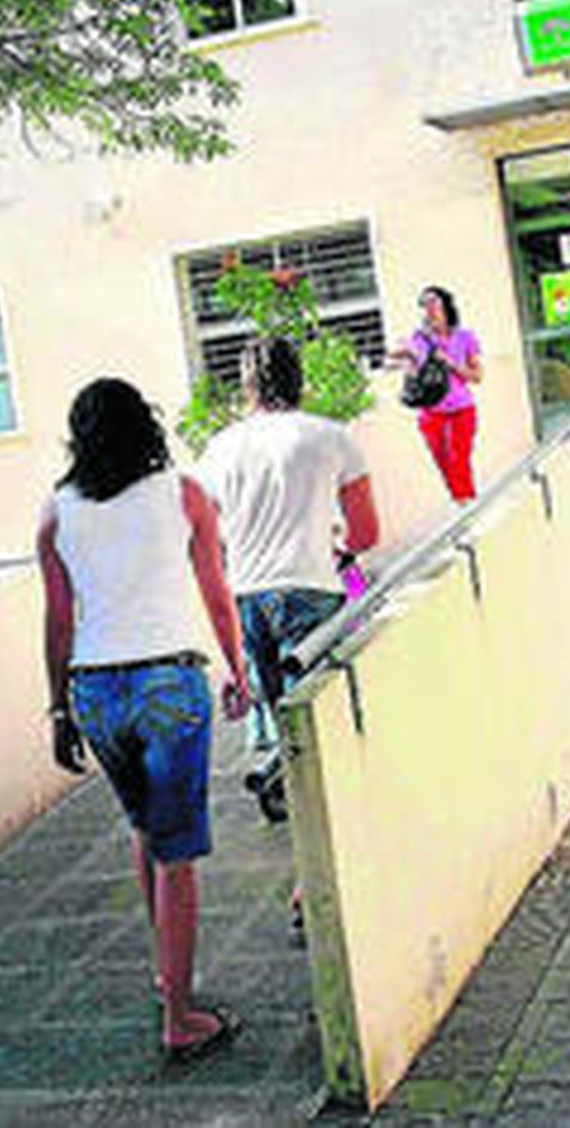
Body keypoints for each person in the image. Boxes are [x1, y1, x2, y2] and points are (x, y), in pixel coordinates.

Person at [36, 377, 252, 1060]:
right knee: (178, 854)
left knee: (145, 828)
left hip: (96, 692)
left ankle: (168, 975)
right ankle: (181, 1017)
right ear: (147, 426)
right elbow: (216, 592)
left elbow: (59, 620)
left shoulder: (57, 511)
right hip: (168, 681)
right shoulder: (184, 495)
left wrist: (57, 707)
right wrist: (237, 667)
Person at [197, 336, 380, 831]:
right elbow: (367, 533)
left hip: (246, 594)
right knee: (316, 715)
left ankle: (277, 771)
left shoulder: (218, 449)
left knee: (274, 705)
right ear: (299, 377)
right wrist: (338, 547)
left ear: (247, 384)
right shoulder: (330, 437)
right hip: (311, 587)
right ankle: (300, 792)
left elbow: (206, 540)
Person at [392, 284, 482, 504]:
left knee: (459, 459)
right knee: (443, 462)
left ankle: (467, 504)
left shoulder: (465, 337)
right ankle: (463, 503)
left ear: (446, 307)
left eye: (433, 303)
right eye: (423, 305)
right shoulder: (419, 339)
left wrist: (450, 363)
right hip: (431, 410)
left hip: (461, 408)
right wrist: (406, 358)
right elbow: (399, 356)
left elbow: (477, 376)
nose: (428, 309)